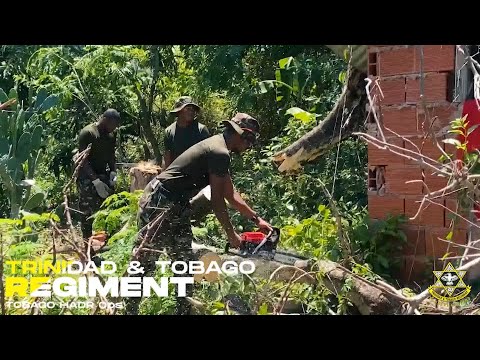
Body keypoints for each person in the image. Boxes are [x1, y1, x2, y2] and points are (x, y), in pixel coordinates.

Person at [125, 112, 273, 315]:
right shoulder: (219, 151)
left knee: (184, 261)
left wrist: (256, 219)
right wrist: (231, 235)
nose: (249, 146)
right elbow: (217, 199)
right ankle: (128, 309)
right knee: (146, 260)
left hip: (177, 204)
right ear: (239, 135)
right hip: (160, 202)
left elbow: (230, 193)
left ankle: (183, 309)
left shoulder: (220, 149)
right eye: (248, 140)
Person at [75, 109, 120, 253]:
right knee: (87, 214)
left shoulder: (111, 135)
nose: (114, 128)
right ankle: (87, 248)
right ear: (105, 119)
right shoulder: (88, 133)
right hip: (86, 178)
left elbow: (111, 155)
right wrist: (95, 181)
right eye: (113, 124)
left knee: (107, 211)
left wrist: (113, 172)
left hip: (103, 175)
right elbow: (82, 160)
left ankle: (105, 245)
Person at [163, 96, 210, 168]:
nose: (191, 111)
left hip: (197, 175)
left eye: (193, 109)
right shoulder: (169, 131)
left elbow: (208, 157)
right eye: (188, 109)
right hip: (176, 174)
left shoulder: (201, 130)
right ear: (179, 111)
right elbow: (168, 157)